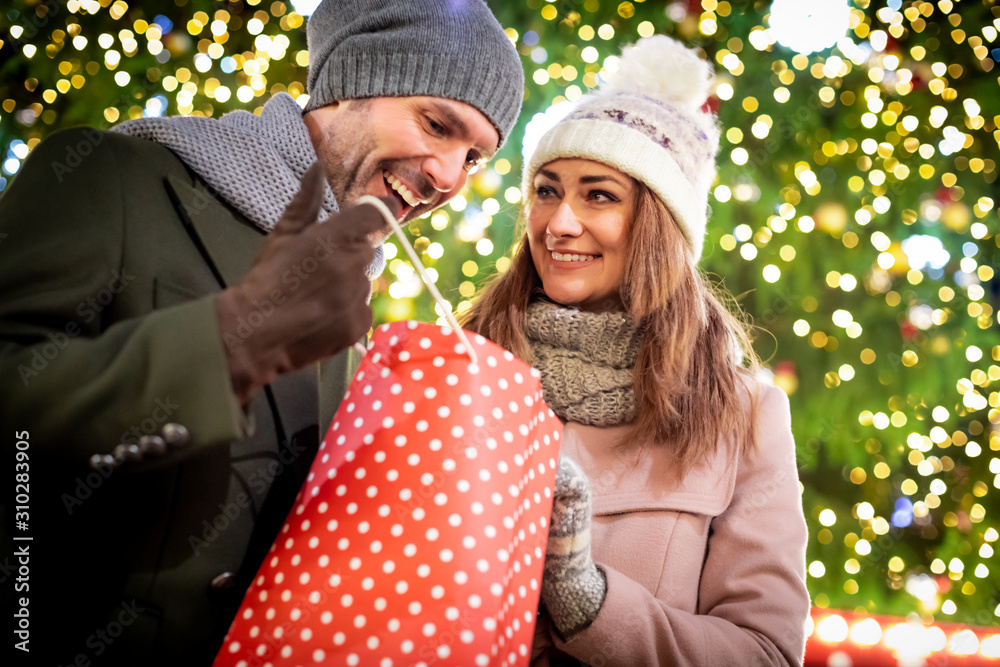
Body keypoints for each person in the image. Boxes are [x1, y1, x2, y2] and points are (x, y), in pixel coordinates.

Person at [0, 0, 523, 664]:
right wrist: (233, 342)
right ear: (349, 85)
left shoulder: (356, 317)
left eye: (474, 157)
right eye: (436, 123)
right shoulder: (118, 177)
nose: (449, 176)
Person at [461, 35, 809, 665]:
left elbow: (765, 653)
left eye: (598, 195)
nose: (559, 223)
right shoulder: (465, 370)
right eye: (546, 190)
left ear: (659, 225)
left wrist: (588, 602)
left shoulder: (743, 413)